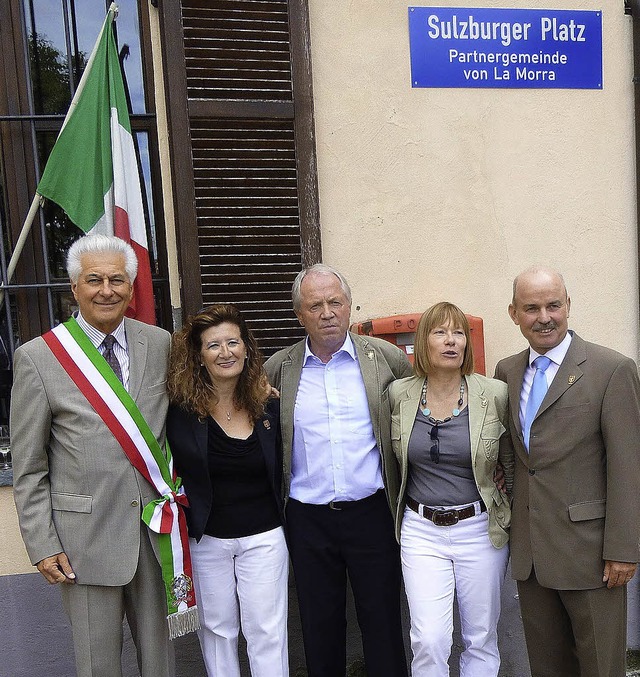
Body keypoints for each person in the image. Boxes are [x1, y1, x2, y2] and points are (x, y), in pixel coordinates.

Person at [10, 233, 195, 677]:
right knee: (97, 666)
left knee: (160, 664)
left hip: (155, 534)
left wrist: (254, 396)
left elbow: (195, 408)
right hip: (83, 542)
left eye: (117, 279)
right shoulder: (39, 358)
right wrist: (42, 544)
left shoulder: (160, 343)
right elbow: (29, 467)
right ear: (74, 288)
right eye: (94, 280)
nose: (106, 290)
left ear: (131, 288)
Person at [265, 263, 411, 677]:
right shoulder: (280, 367)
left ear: (349, 307)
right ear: (299, 315)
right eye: (315, 305)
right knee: (318, 625)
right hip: (307, 519)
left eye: (336, 302)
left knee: (383, 621)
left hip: (372, 513)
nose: (327, 312)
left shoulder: (385, 359)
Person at [494, 266, 640, 677]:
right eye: (532, 307)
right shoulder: (507, 371)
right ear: (514, 313)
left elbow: (628, 466)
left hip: (592, 555)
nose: (544, 316)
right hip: (532, 556)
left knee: (600, 668)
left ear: (568, 306)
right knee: (548, 668)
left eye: (553, 305)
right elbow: (515, 456)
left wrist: (624, 549)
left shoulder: (612, 369)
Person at [388, 302, 512, 676]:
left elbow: (512, 460)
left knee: (480, 637)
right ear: (422, 342)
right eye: (439, 332)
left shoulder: (495, 394)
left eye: (458, 333)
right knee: (428, 638)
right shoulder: (399, 394)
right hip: (421, 530)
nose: (450, 341)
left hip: (479, 528)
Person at [167, 304, 288, 677]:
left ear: (246, 348)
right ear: (199, 357)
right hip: (208, 541)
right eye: (213, 345)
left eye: (233, 342)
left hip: (265, 537)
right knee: (218, 633)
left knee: (267, 633)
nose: (226, 352)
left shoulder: (269, 405)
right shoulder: (180, 412)